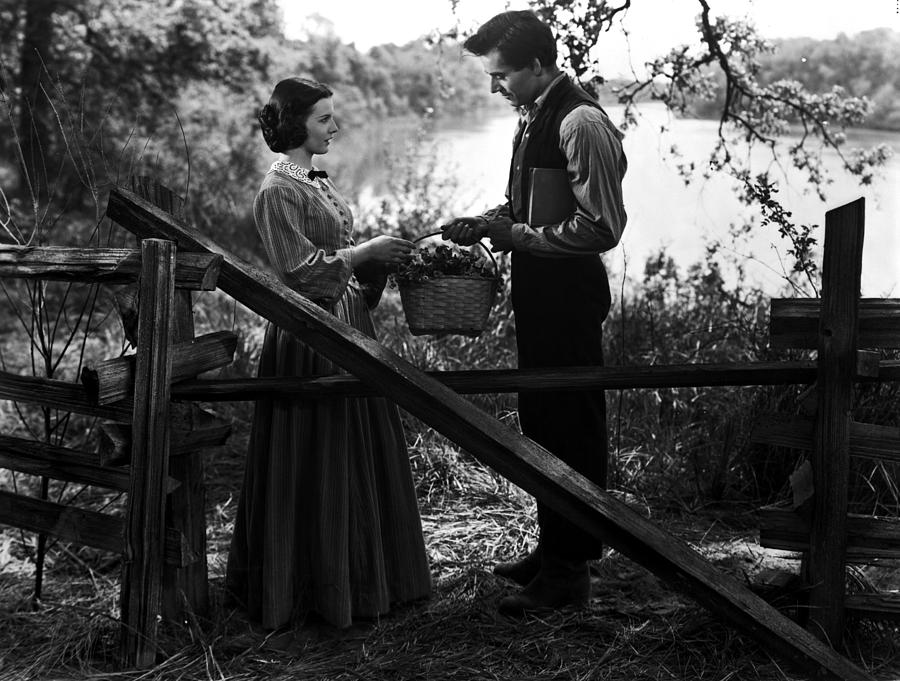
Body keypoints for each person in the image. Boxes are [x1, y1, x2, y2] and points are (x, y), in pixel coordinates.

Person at [226, 77, 432, 631]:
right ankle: (312, 588)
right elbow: (298, 273)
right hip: (309, 335)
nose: (334, 127)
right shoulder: (277, 191)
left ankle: (367, 575)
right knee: (316, 448)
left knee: (352, 441)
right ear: (295, 125)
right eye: (323, 119)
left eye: (332, 117)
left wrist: (375, 267)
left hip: (343, 321)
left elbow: (335, 260)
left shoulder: (314, 180)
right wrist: (365, 251)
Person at [441, 10, 627, 616]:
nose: (495, 86)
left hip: (568, 295)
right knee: (544, 420)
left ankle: (570, 572)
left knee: (570, 423)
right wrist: (493, 220)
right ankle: (555, 551)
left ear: (539, 65)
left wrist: (515, 235)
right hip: (541, 292)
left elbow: (601, 227)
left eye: (501, 75)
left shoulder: (580, 121)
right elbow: (534, 204)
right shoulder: (535, 115)